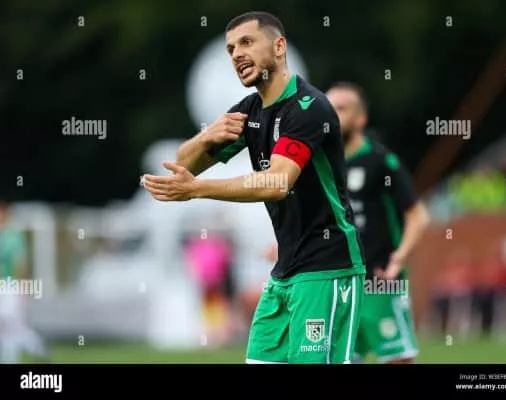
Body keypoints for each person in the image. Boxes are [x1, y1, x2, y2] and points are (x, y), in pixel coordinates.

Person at [142, 11, 366, 364]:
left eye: (247, 42)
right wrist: (206, 136)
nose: (237, 55)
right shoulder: (250, 111)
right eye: (231, 49)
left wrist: (198, 189)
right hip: (284, 272)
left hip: (327, 268)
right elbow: (182, 165)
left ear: (279, 47)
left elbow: (277, 182)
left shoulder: (309, 107)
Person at [325, 82, 430, 364]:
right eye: (329, 109)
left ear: (361, 118)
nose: (333, 115)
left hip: (380, 280)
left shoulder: (380, 161)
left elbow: (418, 215)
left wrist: (399, 259)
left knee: (397, 358)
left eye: (341, 108)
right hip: (340, 283)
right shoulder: (323, 164)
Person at [0, 201, 48, 363]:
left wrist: (23, 288)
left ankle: (30, 350)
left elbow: (20, 264)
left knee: (9, 323)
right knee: (10, 325)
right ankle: (36, 348)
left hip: (10, 285)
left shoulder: (13, 237)